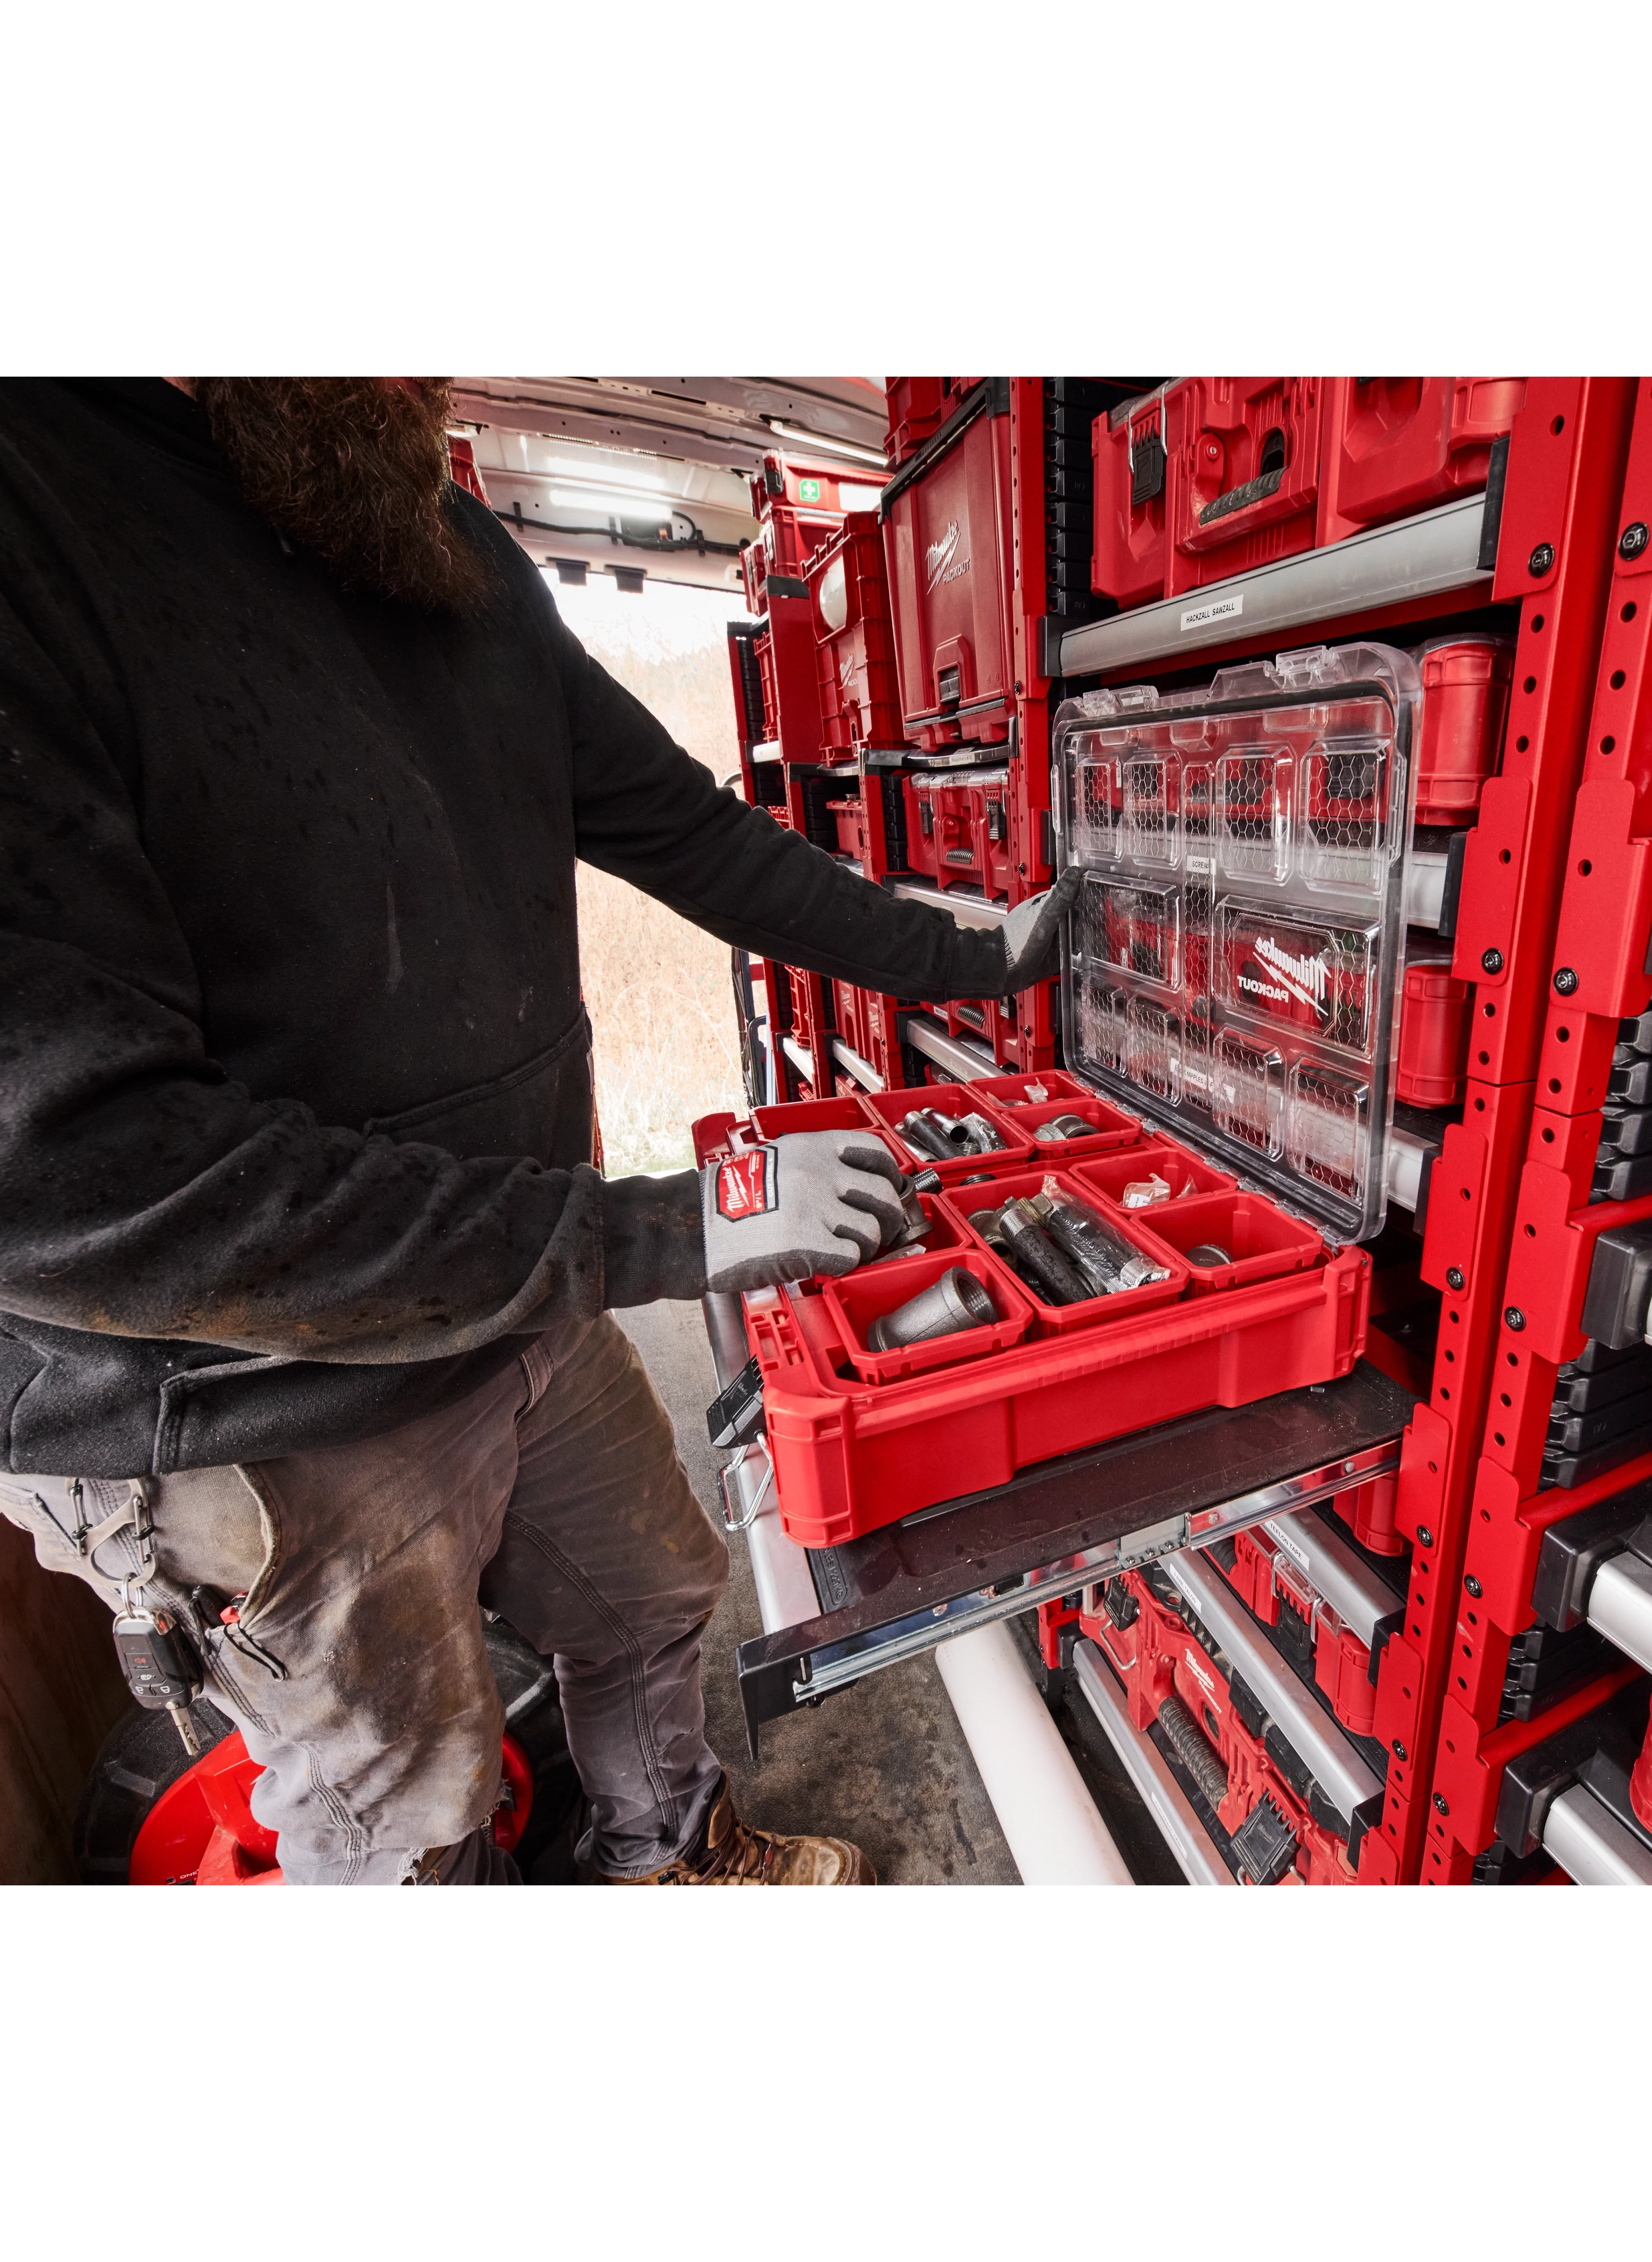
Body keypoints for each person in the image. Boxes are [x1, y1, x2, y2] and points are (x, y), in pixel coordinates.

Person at [0, 375, 1075, 1886]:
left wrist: (970, 956)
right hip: (242, 1399)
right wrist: (667, 1230)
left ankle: (667, 1857)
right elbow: (67, 1181)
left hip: (511, 1287)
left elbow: (688, 830)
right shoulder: (40, 503)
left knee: (649, 1592)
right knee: (405, 1817)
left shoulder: (427, 537)